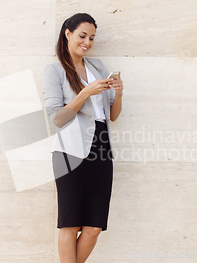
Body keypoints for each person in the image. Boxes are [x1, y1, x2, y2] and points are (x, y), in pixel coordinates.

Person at [42, 13, 124, 263]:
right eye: (82, 36)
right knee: (70, 223)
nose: (87, 42)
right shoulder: (54, 70)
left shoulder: (97, 66)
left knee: (94, 226)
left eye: (91, 37)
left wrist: (119, 93)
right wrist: (85, 92)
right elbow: (57, 118)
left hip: (101, 149)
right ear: (68, 33)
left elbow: (112, 115)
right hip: (70, 151)